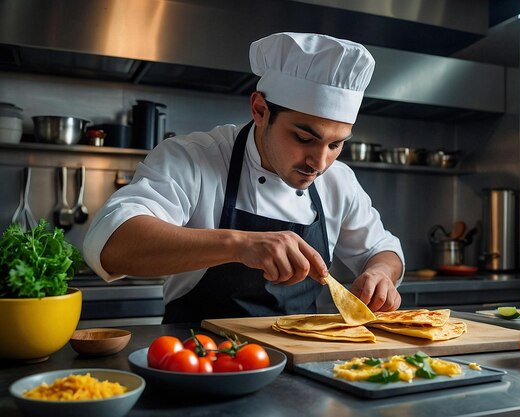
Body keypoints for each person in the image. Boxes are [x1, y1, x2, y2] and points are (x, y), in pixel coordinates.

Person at [83, 32, 405, 323]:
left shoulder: (339, 182)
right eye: (304, 138)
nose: (319, 162)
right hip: (199, 365)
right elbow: (112, 243)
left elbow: (384, 248)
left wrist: (381, 273)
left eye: (335, 145)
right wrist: (238, 244)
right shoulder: (193, 158)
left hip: (305, 365)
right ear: (260, 110)